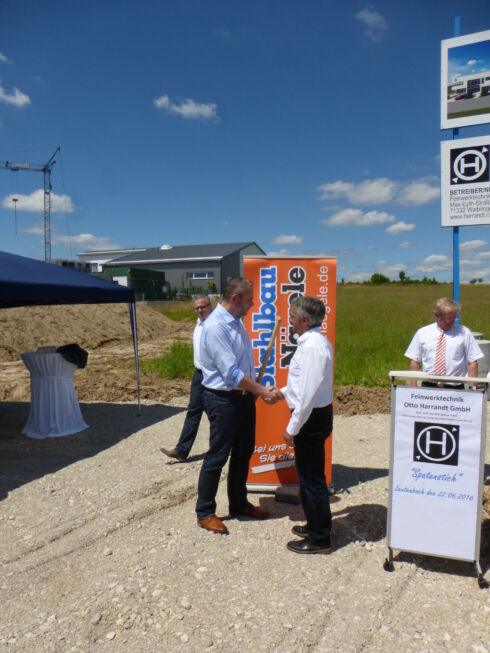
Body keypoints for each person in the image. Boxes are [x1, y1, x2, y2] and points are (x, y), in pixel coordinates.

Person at [196, 278, 281, 535]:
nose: (252, 304)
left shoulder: (236, 322)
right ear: (235, 298)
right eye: (248, 300)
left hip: (242, 397)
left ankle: (239, 503)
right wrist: (261, 390)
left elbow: (243, 365)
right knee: (218, 455)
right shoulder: (215, 327)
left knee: (244, 451)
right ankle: (205, 512)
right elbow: (231, 374)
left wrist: (252, 391)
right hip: (222, 399)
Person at [280, 296, 334, 555]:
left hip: (310, 418)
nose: (289, 319)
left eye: (291, 315)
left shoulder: (313, 346)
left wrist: (292, 427)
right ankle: (314, 523)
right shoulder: (310, 343)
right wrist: (281, 392)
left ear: (303, 320)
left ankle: (320, 538)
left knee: (312, 480)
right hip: (310, 415)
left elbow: (309, 393)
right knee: (307, 476)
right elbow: (301, 384)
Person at [160, 295, 212, 462]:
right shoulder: (198, 324)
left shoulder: (215, 325)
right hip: (198, 375)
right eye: (196, 308)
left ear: (210, 306)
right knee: (193, 411)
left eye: (202, 307)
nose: (199, 310)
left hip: (212, 375)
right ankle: (182, 450)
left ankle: (224, 446)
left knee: (216, 414)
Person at [405, 297, 483, 388]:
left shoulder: (464, 332)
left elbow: (473, 361)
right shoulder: (422, 333)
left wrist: (472, 388)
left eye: (454, 318)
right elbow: (415, 361)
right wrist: (413, 388)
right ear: (437, 316)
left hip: (455, 388)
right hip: (428, 387)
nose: (453, 321)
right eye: (448, 318)